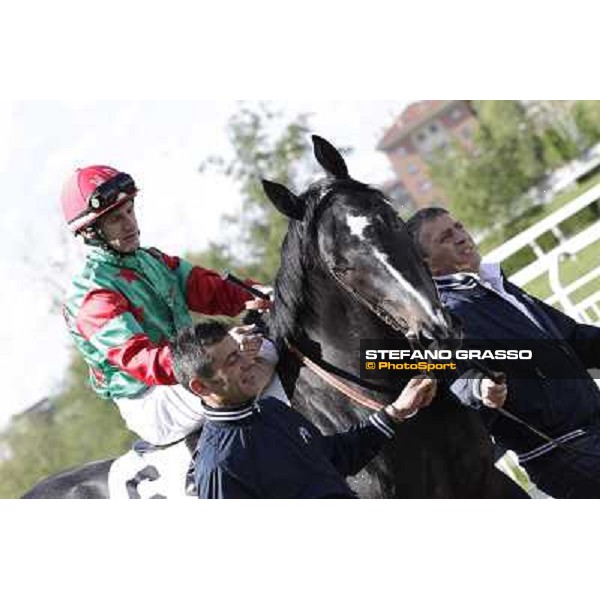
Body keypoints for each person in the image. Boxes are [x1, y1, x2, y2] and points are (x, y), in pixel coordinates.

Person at [60, 165, 270, 447]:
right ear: (91, 233)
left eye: (129, 211)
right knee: (248, 368)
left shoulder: (152, 259)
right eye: (115, 220)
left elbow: (214, 291)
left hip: (192, 372)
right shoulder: (91, 294)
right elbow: (142, 360)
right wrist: (221, 353)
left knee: (275, 341)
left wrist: (265, 294)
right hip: (151, 398)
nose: (129, 224)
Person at [406, 207, 600, 498]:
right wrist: (479, 389)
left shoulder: (494, 286)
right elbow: (461, 381)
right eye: (446, 237)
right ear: (427, 265)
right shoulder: (446, 318)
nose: (461, 237)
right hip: (564, 452)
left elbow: (573, 339)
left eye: (458, 226)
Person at [170, 321, 437, 498]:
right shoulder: (220, 466)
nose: (247, 361)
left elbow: (335, 458)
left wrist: (396, 411)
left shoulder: (272, 409)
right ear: (201, 387)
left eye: (240, 352)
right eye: (231, 361)